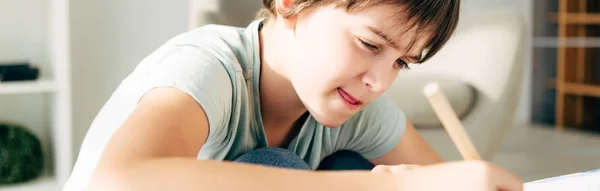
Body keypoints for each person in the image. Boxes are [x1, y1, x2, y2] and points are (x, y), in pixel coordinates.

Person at [63, 0, 523, 190]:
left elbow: (442, 180)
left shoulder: (358, 105)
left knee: (347, 163)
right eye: (370, 44)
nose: (381, 82)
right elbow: (120, 180)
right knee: (284, 169)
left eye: (401, 62)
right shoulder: (210, 66)